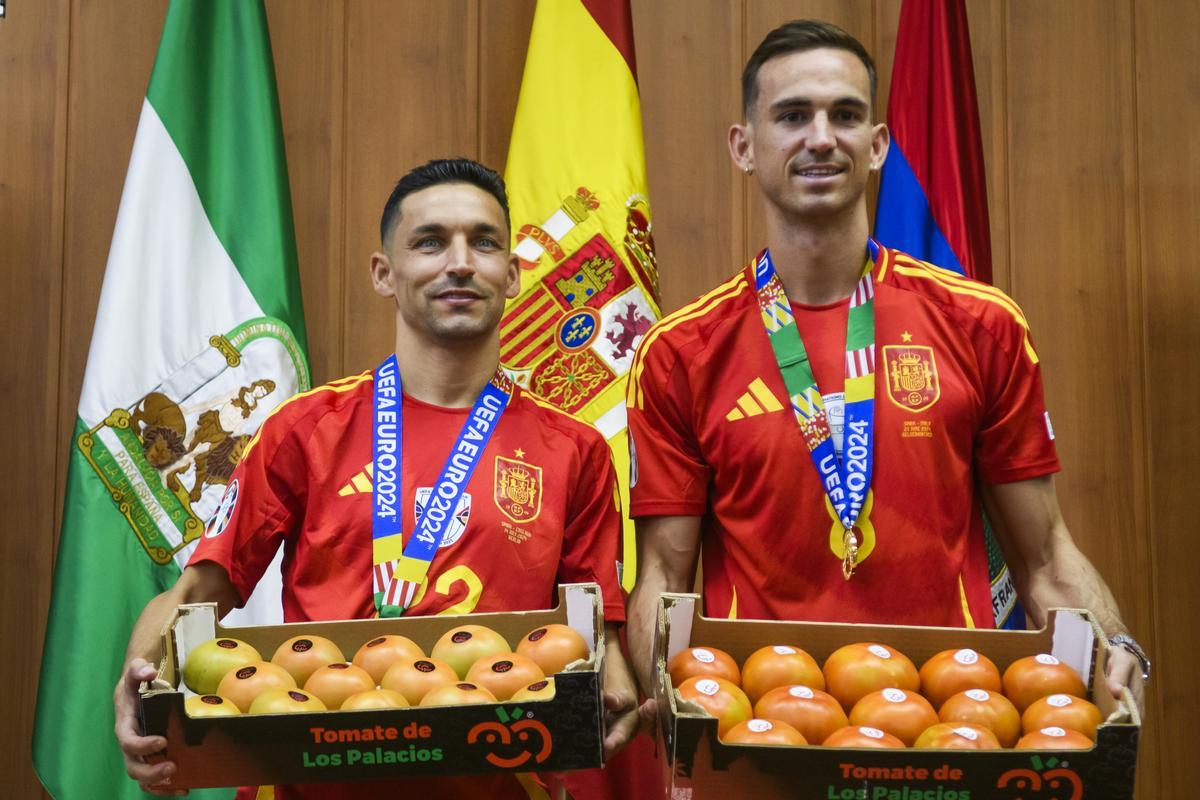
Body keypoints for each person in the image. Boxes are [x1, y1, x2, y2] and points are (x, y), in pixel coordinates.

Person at [625, 20, 1148, 716]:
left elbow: (1046, 555)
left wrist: (1116, 649)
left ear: (876, 147)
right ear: (743, 147)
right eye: (791, 116)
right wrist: (675, 701)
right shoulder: (679, 353)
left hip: (949, 721)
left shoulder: (981, 325)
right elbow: (664, 570)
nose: (820, 137)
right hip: (754, 728)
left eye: (844, 115)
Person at [115, 158, 640, 799]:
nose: (459, 262)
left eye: (483, 241)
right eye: (429, 242)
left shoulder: (575, 451)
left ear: (512, 272)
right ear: (383, 273)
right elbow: (197, 590)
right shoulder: (304, 429)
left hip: (501, 781)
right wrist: (139, 685)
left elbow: (599, 630)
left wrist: (616, 695)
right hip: (310, 782)